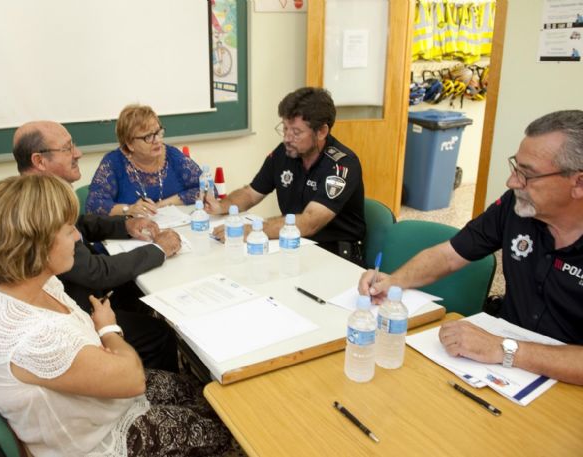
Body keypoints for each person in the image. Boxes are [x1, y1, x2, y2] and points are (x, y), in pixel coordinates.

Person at [0, 174, 231, 457]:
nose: (78, 236)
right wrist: (108, 329)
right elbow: (132, 380)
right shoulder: (37, 337)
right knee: (224, 426)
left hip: (86, 403)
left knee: (197, 390)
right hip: (93, 441)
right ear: (36, 245)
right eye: (68, 230)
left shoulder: (8, 285)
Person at [358, 110, 583, 385]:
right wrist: (394, 281)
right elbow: (450, 255)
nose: (512, 182)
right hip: (505, 368)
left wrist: (503, 349)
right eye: (516, 167)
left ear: (579, 182)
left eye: (527, 175)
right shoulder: (516, 206)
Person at [13, 120, 181, 372]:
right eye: (68, 148)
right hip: (72, 311)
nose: (78, 153)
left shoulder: (36, 194)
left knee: (137, 293)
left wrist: (126, 225)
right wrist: (159, 249)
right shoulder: (39, 209)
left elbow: (82, 224)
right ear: (39, 161)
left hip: (73, 290)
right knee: (158, 333)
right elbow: (95, 272)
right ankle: (153, 386)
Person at [205, 87, 366, 266]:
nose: (287, 138)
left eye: (296, 132)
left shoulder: (342, 165)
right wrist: (221, 206)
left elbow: (309, 222)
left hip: (336, 255)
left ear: (321, 132)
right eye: (285, 128)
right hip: (293, 245)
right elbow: (251, 193)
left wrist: (250, 230)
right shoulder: (285, 153)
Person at [86, 104, 202, 217]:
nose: (157, 140)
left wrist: (162, 204)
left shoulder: (172, 156)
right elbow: (93, 205)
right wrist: (129, 209)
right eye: (148, 137)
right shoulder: (114, 163)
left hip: (174, 227)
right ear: (130, 144)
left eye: (158, 132)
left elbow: (206, 189)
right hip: (133, 233)